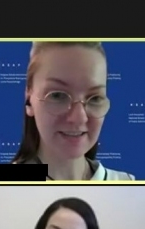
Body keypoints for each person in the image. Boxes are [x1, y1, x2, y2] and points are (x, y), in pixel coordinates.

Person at [11, 42, 134, 180]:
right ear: (29, 99)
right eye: (58, 95)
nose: (79, 118)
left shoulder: (127, 182)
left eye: (95, 98)